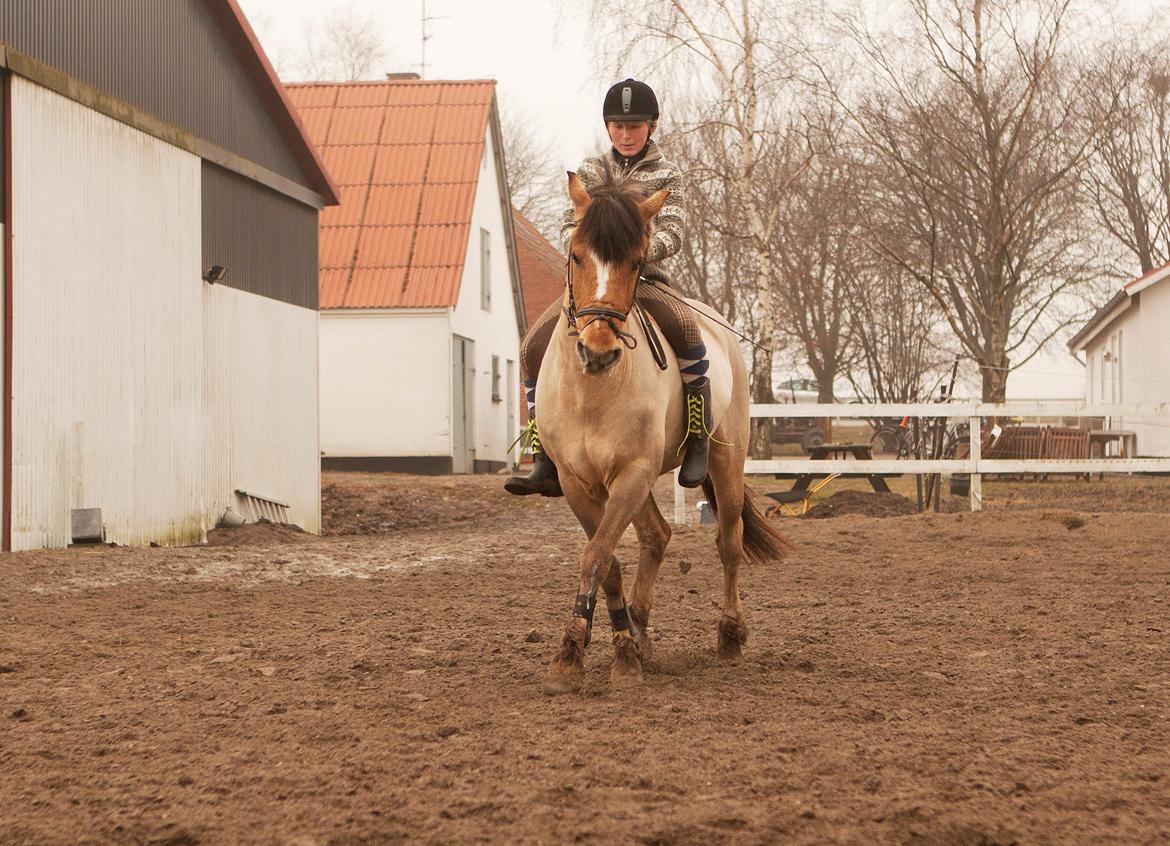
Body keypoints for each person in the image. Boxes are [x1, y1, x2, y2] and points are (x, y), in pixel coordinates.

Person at [505, 78, 712, 497]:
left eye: (634, 126)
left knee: (689, 333)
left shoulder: (667, 174)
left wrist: (630, 252)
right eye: (617, 125)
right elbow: (569, 225)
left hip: (639, 279)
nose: (625, 133)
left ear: (651, 127)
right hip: (589, 283)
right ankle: (541, 451)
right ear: (608, 128)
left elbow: (674, 233)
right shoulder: (590, 171)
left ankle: (698, 439)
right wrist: (589, 248)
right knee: (531, 348)